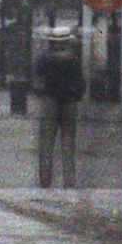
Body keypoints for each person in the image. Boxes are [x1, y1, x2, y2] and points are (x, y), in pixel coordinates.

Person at [33, 25, 84, 188]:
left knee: (47, 141)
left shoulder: (44, 59)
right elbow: (81, 84)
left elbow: (36, 81)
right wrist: (75, 95)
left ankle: (45, 180)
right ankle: (69, 181)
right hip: (69, 102)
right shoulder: (74, 60)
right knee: (68, 141)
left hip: (50, 101)